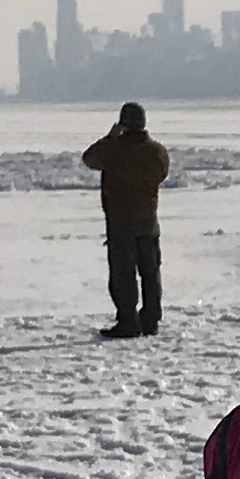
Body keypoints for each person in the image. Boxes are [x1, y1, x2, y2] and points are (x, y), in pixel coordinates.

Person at [79, 103, 172, 338]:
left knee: (123, 274)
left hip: (121, 221)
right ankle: (150, 320)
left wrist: (110, 137)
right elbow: (162, 174)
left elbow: (89, 158)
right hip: (149, 220)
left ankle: (128, 321)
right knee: (150, 272)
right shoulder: (157, 152)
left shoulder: (114, 150)